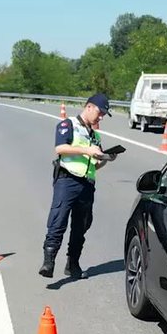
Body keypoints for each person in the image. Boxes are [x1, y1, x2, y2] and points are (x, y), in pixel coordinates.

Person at [39, 93, 119, 279]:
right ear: (89, 107)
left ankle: (72, 264)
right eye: (99, 113)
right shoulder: (68, 125)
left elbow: (95, 164)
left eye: (103, 116)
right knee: (58, 221)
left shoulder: (95, 135)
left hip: (87, 184)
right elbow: (60, 148)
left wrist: (107, 159)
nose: (100, 118)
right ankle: (48, 262)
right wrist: (86, 150)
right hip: (67, 180)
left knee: (81, 226)